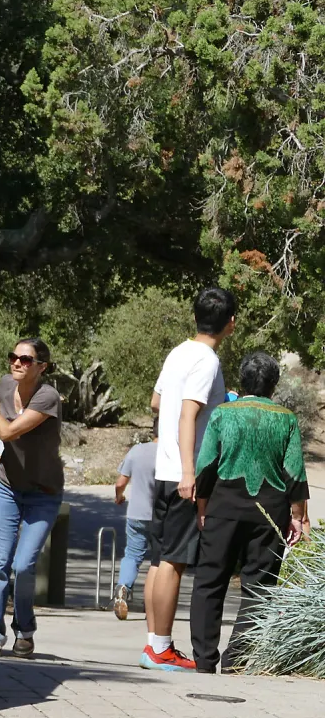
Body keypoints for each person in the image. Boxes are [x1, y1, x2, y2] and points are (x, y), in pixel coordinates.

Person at [190, 352, 309, 672]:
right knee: (259, 587)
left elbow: (205, 466)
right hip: (269, 513)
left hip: (223, 507)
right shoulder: (286, 418)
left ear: (242, 381)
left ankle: (204, 661)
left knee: (209, 581)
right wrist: (299, 516)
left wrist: (203, 507)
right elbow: (295, 472)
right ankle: (235, 660)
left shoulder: (222, 414)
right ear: (274, 385)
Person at [141, 287, 236, 671]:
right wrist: (188, 471)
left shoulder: (178, 352)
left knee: (159, 559)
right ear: (231, 322)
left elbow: (157, 402)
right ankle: (161, 648)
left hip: (162, 468)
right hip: (183, 471)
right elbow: (186, 415)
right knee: (175, 562)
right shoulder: (207, 359)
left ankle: (153, 644)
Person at [0, 338, 63, 657]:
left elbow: (9, 432)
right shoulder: (4, 384)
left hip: (44, 493)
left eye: (26, 360)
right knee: (0, 563)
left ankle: (24, 629)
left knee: (23, 565)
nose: (16, 363)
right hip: (8, 485)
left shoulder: (47, 397)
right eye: (13, 357)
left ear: (42, 367)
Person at [112, 430, 157, 620]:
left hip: (136, 513)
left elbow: (120, 482)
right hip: (161, 515)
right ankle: (155, 603)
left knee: (132, 554)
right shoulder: (174, 452)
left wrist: (119, 496)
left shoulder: (137, 450)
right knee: (161, 560)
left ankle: (123, 586)